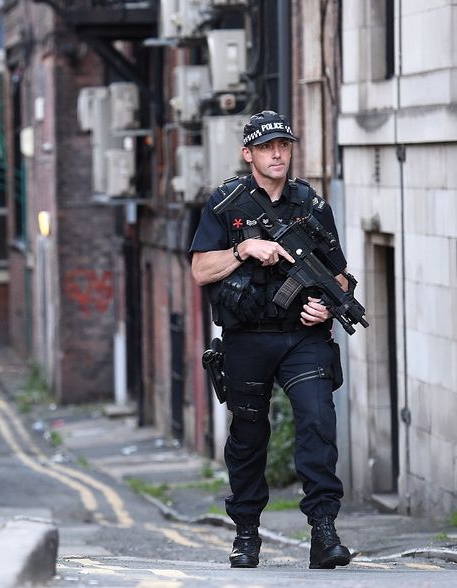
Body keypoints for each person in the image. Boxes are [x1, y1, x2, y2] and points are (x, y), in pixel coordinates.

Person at [189, 110, 352, 569]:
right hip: (247, 339)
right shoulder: (226, 203)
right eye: (266, 147)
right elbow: (201, 270)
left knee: (319, 421)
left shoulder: (312, 206)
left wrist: (328, 303)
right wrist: (243, 250)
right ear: (249, 154)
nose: (277, 153)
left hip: (303, 336)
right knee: (247, 436)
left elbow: (339, 275)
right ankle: (245, 533)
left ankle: (324, 531)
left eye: (283, 145)